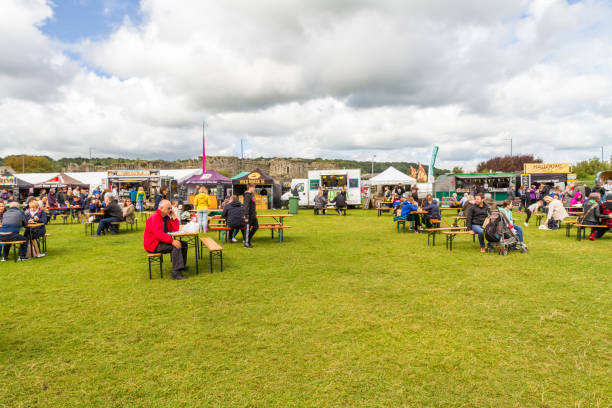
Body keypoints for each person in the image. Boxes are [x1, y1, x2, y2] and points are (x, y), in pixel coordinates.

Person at [143, 199, 188, 280]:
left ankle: (181, 266)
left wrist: (174, 218)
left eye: (171, 208)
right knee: (176, 246)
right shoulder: (155, 217)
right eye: (168, 208)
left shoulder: (165, 217)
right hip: (153, 244)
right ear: (161, 208)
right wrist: (172, 241)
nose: (170, 210)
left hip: (158, 241)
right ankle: (175, 273)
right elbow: (158, 234)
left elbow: (174, 228)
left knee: (184, 244)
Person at [243, 184, 258, 248]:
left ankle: (247, 240)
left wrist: (255, 213)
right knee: (247, 229)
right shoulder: (247, 195)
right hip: (248, 216)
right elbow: (246, 206)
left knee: (256, 226)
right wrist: (246, 216)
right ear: (250, 187)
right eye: (253, 187)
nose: (254, 189)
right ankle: (246, 243)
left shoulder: (252, 195)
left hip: (253, 215)